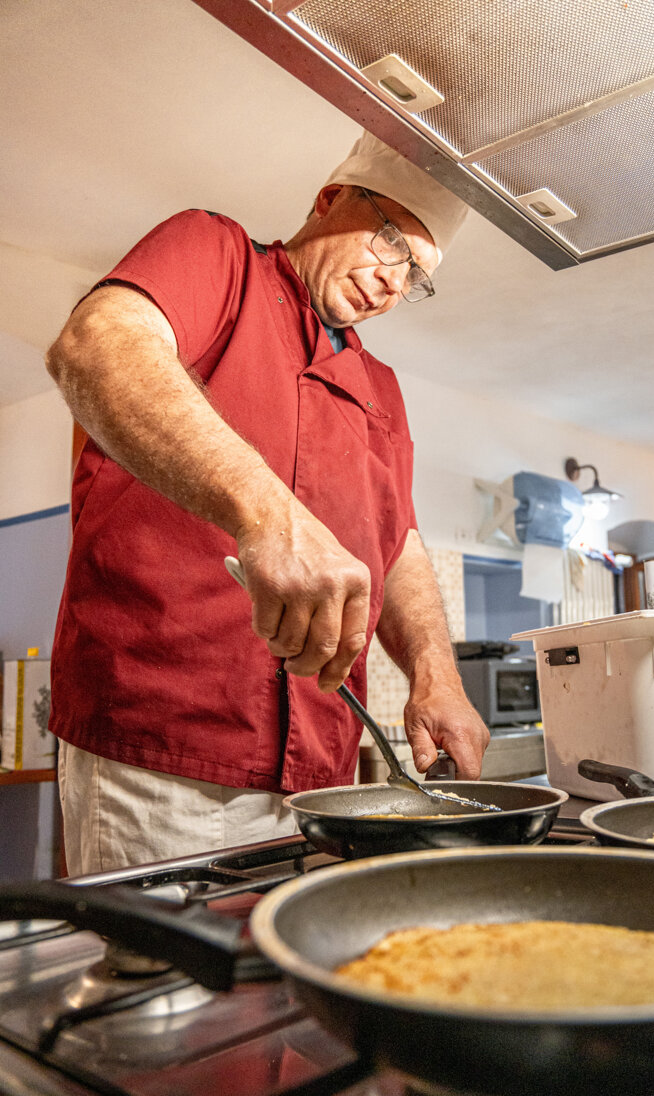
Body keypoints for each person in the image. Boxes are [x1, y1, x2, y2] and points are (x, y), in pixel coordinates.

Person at [46, 131, 491, 876]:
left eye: (415, 275)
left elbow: (399, 543)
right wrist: (268, 513)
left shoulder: (380, 386)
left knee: (298, 982)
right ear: (329, 201)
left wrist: (435, 676)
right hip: (167, 740)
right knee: (167, 984)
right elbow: (96, 344)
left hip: (324, 768)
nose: (391, 283)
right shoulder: (217, 255)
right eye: (390, 243)